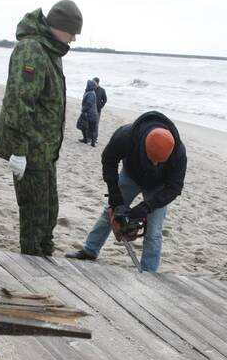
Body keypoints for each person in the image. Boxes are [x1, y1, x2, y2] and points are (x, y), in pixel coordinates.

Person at [0, 0, 83, 256]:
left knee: (49, 212)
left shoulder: (50, 49)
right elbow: (19, 102)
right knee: (34, 217)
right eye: (72, 32)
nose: (74, 38)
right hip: (30, 151)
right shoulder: (31, 50)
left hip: (45, 152)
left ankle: (45, 257)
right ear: (57, 26)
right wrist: (19, 151)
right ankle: (31, 269)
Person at [65, 111, 187, 272]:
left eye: (160, 162)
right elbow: (108, 161)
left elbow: (174, 188)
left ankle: (149, 270)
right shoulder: (126, 136)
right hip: (131, 175)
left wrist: (146, 207)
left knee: (154, 230)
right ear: (143, 146)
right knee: (110, 213)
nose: (156, 165)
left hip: (159, 186)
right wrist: (115, 197)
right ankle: (90, 250)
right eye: (152, 160)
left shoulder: (178, 152)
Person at [78, 80, 99, 147]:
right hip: (92, 113)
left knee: (84, 126)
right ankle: (87, 140)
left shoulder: (91, 93)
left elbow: (89, 103)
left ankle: (90, 141)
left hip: (90, 113)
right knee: (88, 127)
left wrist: (84, 110)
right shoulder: (90, 92)